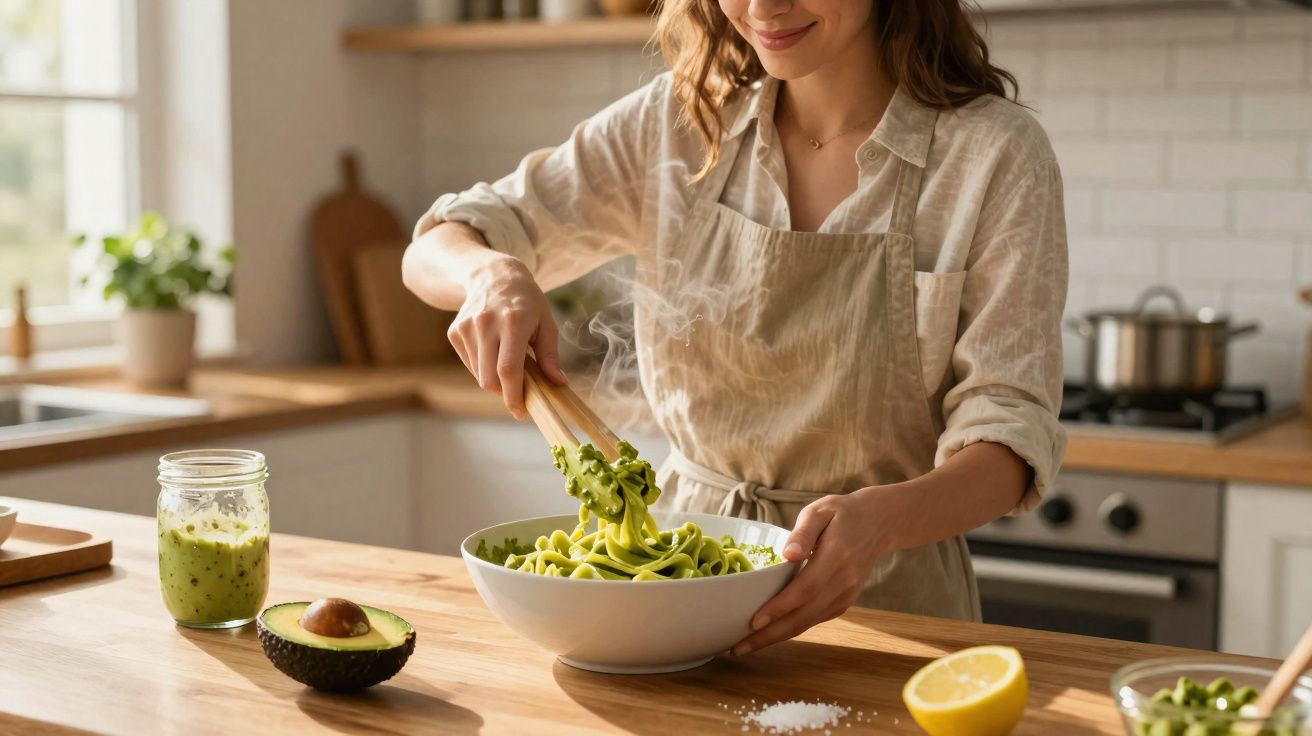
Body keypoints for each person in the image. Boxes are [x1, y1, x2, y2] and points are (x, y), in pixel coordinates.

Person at [403, 0, 1067, 656]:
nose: (763, 6)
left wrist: (877, 523)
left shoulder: (994, 154)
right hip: (676, 591)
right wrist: (489, 274)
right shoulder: (678, 124)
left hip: (891, 604)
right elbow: (442, 242)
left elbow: (1009, 431)